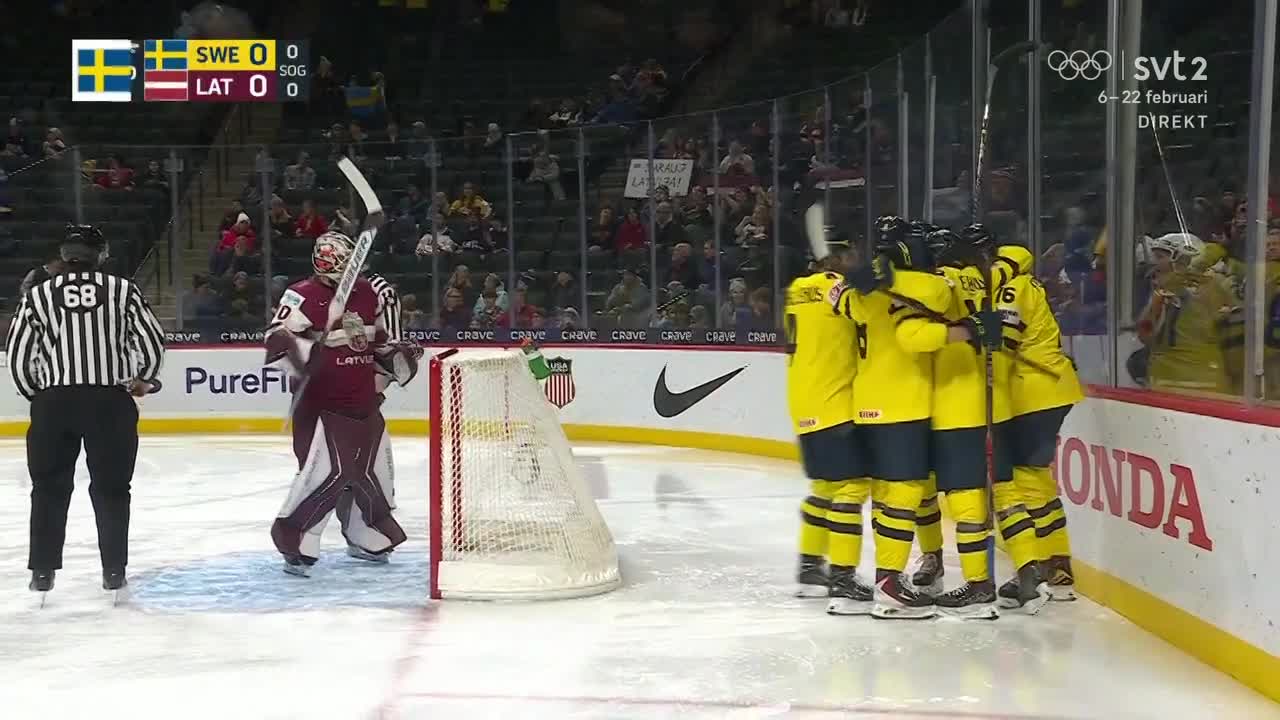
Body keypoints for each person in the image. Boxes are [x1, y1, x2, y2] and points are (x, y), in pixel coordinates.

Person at [5, 224, 166, 596]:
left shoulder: (38, 294)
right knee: (112, 489)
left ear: (65, 255)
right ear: (100, 255)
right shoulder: (123, 290)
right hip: (109, 401)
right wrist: (143, 379)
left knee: (47, 488)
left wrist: (40, 397)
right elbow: (152, 340)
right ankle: (114, 571)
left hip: (53, 403)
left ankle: (43, 571)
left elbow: (18, 355)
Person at [264, 230, 424, 576]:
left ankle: (367, 532)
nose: (356, 268)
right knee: (325, 474)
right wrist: (302, 346)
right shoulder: (301, 295)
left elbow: (379, 344)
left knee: (371, 472)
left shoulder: (368, 293)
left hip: (364, 402)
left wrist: (396, 358)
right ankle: (295, 538)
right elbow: (275, 344)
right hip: (321, 407)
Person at [912, 223, 1040, 618]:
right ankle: (1029, 568)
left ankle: (976, 583)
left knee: (952, 495)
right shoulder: (987, 278)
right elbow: (1019, 257)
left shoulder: (936, 284)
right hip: (993, 402)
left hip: (952, 408)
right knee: (1003, 490)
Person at [833, 217, 952, 619]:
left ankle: (890, 578)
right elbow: (939, 294)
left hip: (868, 403)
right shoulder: (910, 287)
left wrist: (871, 276)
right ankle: (889, 585)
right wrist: (891, 275)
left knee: (888, 498)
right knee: (903, 495)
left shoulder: (866, 288)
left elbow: (839, 298)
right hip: (901, 403)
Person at [988, 243, 1085, 608]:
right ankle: (1058, 568)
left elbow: (1003, 346)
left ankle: (1037, 569)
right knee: (1039, 480)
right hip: (1051, 389)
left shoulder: (1011, 289)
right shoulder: (1029, 286)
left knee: (1022, 480)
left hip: (1032, 391)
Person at [783, 227, 861, 603]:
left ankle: (811, 563)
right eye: (851, 256)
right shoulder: (838, 289)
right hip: (835, 401)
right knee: (849, 487)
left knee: (824, 488)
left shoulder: (796, 289)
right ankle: (843, 575)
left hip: (804, 402)